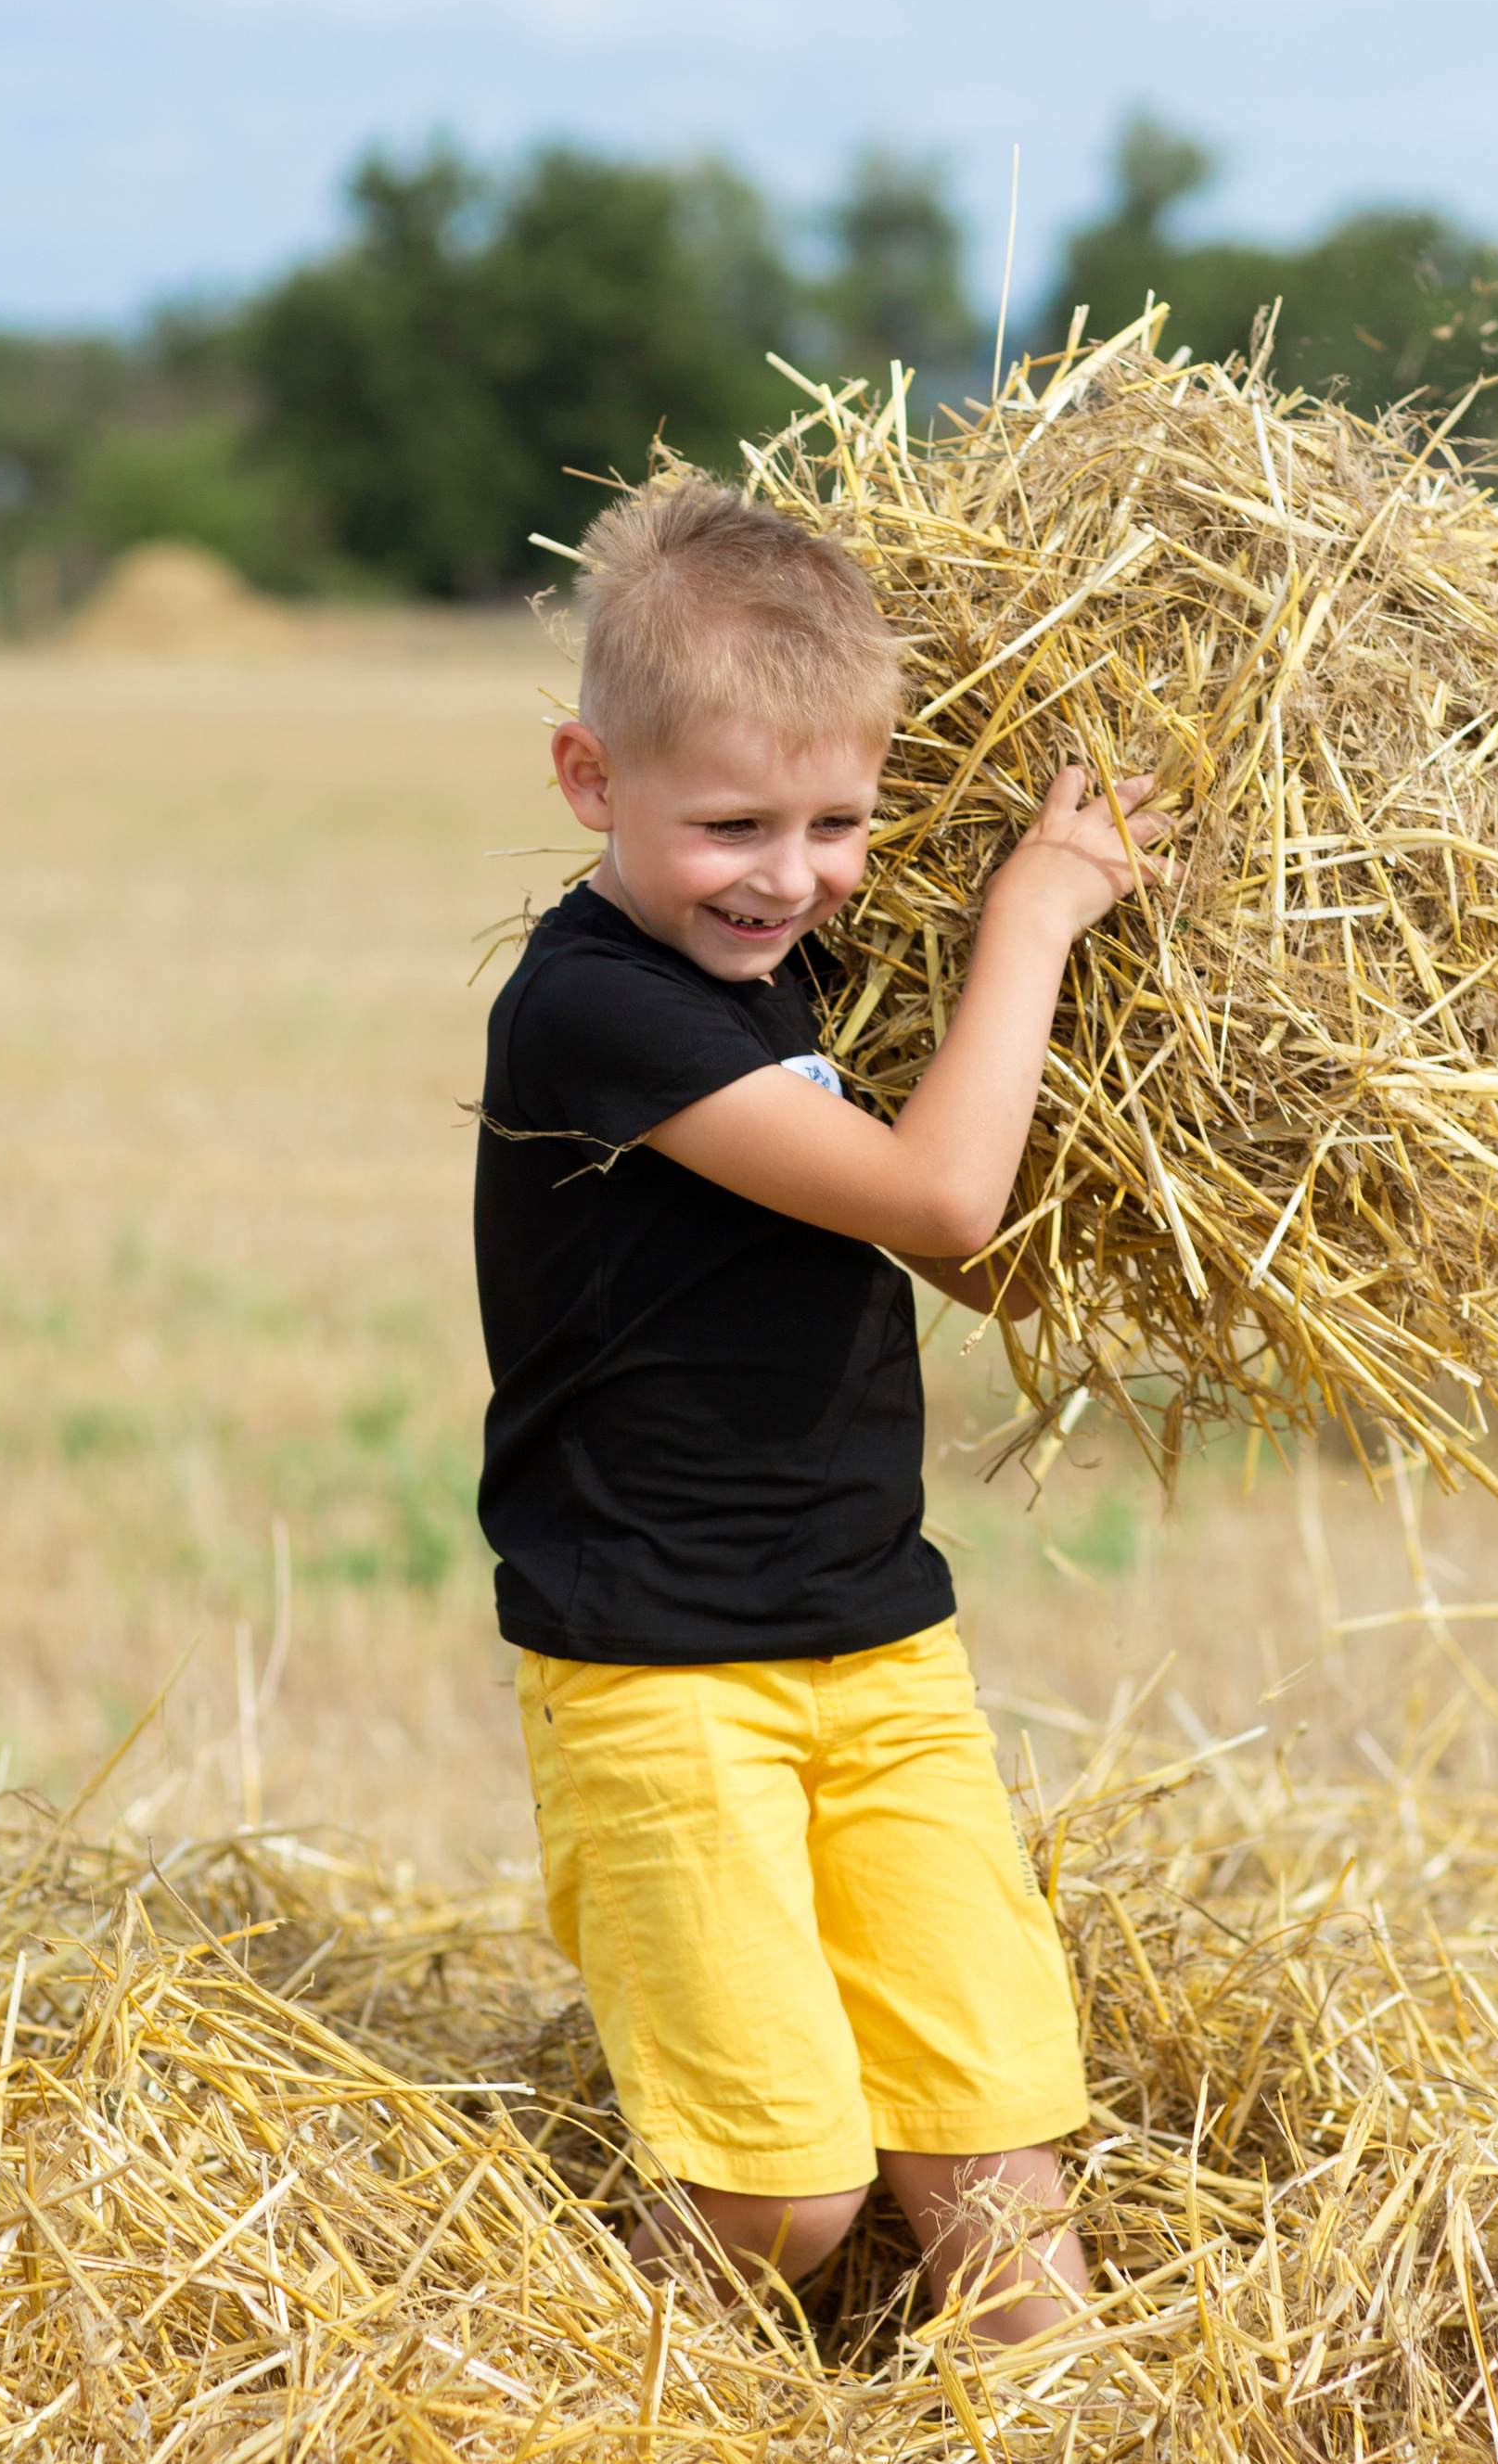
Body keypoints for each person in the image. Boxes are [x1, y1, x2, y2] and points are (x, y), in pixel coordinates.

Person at [473, 470, 1163, 2346]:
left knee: (1000, 2187)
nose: (787, 877)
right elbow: (939, 1197)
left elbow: (974, 1240)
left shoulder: (793, 973)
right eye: (729, 826)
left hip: (878, 1636)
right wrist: (1031, 915)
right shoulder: (593, 1009)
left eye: (840, 822)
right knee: (784, 2193)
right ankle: (586, 2441)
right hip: (659, 1667)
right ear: (588, 780)